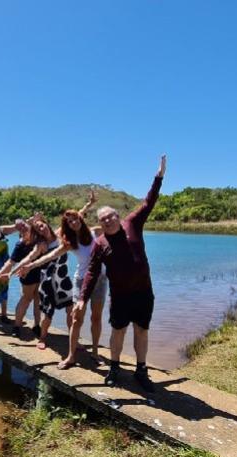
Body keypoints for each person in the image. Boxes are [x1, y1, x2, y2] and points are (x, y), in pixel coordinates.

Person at [73, 155, 166, 391]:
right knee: (118, 331)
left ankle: (141, 370)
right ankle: (114, 367)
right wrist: (83, 298)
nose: (107, 221)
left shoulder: (132, 223)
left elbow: (149, 202)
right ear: (100, 224)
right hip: (120, 295)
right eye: (103, 220)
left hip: (144, 292)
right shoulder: (100, 243)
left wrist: (159, 176)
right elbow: (92, 272)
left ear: (117, 216)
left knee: (142, 331)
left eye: (110, 217)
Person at [17, 191, 107, 368]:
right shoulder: (67, 242)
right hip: (70, 281)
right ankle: (65, 352)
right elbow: (48, 256)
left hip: (92, 281)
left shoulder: (93, 232)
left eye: (76, 220)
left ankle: (95, 352)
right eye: (70, 222)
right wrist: (29, 266)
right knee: (68, 317)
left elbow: (116, 230)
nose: (74, 223)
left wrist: (89, 204)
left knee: (94, 317)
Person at [11, 214, 74, 350]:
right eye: (38, 229)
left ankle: (73, 338)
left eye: (41, 225)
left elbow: (75, 219)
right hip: (48, 282)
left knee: (71, 311)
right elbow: (28, 258)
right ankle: (42, 337)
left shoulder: (60, 235)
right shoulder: (41, 245)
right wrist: (10, 272)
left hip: (64, 280)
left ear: (46, 223)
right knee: (48, 314)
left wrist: (89, 205)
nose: (41, 229)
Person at [0, 219, 42, 339]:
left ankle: (36, 325)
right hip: (27, 274)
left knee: (38, 299)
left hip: (41, 272)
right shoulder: (20, 244)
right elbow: (10, 262)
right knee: (26, 298)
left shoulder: (38, 239)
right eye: (21, 229)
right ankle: (17, 326)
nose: (24, 230)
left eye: (25, 226)